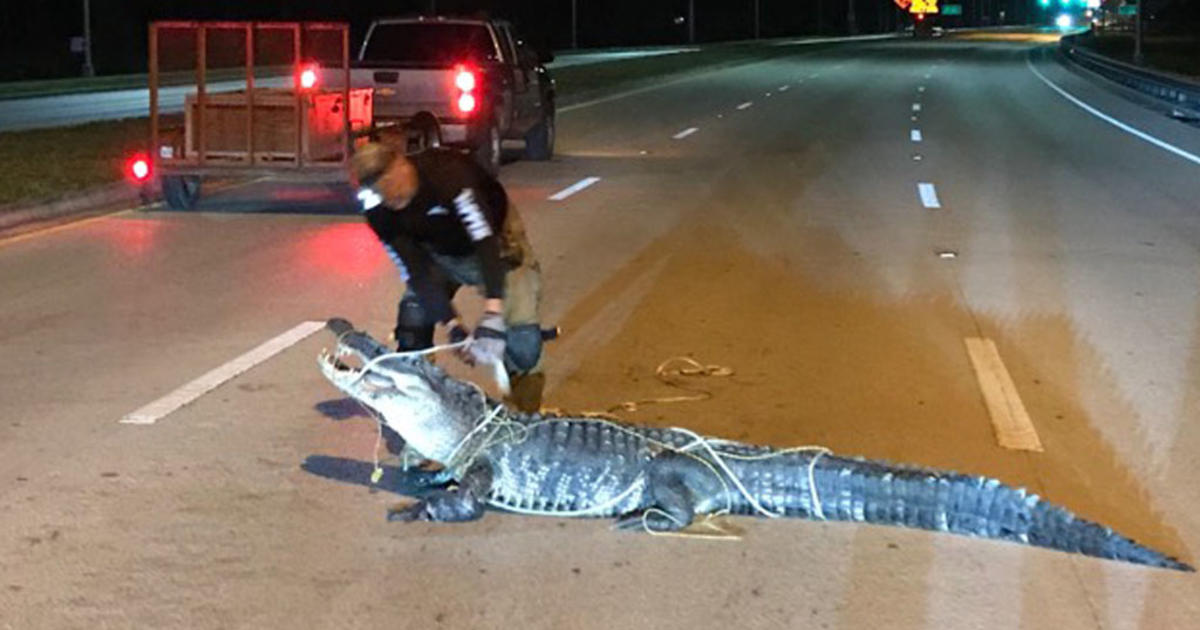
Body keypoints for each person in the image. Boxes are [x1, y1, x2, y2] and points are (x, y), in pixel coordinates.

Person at [350, 141, 546, 412]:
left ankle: (524, 418)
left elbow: (485, 242)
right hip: (437, 251)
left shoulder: (449, 177)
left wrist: (492, 313)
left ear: (402, 164)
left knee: (523, 341)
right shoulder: (377, 208)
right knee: (413, 317)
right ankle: (422, 408)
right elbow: (416, 272)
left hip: (495, 241)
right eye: (383, 194)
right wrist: (453, 326)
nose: (392, 199)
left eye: (393, 187)